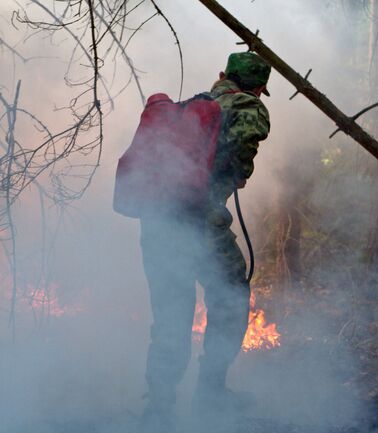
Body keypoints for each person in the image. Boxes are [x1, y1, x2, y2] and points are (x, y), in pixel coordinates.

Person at [139, 51, 271, 430]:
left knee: (170, 314)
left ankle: (159, 409)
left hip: (156, 220)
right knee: (230, 298)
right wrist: (233, 171)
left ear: (221, 75)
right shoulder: (247, 104)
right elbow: (246, 139)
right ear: (260, 88)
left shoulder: (191, 106)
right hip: (199, 221)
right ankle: (211, 397)